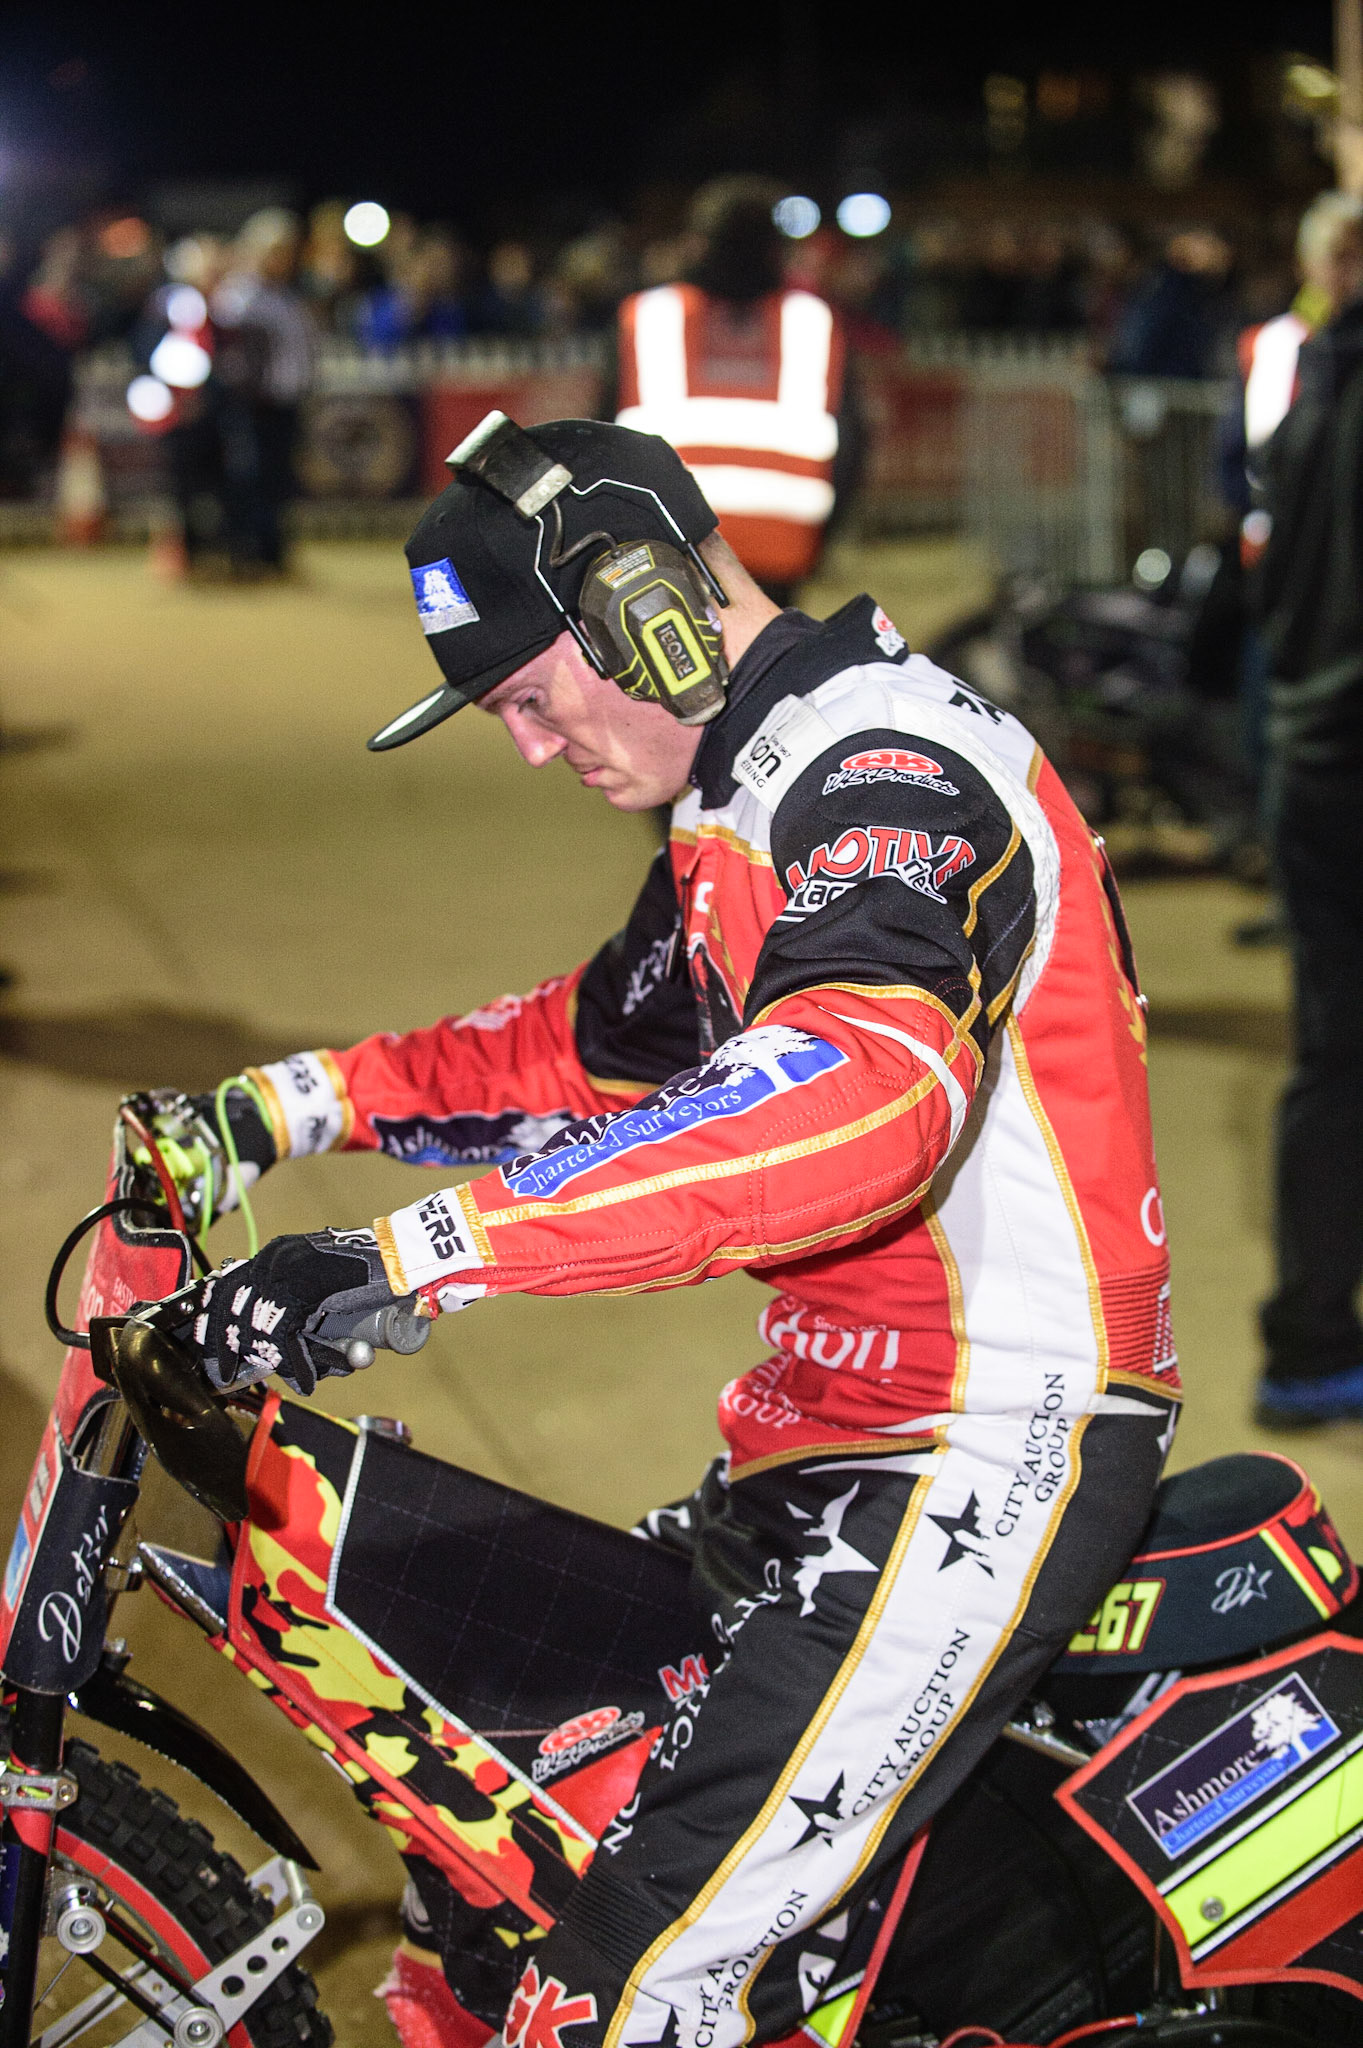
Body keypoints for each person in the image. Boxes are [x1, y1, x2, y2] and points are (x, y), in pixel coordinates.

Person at [169, 414, 1179, 2048]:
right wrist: (282, 1107)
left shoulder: (888, 773)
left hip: (984, 1448)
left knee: (622, 1994)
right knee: (501, 1845)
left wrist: (405, 1254)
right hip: (828, 1444)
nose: (524, 746)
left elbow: (859, 1096)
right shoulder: (739, 798)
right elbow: (580, 1049)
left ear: (638, 599)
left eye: (524, 695)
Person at [1251, 201, 1363, 1427]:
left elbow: (1266, 586)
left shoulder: (1308, 389)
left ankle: (1310, 1338)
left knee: (1333, 1058)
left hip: (1312, 756)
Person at [614, 178, 855, 606]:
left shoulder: (647, 316)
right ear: (776, 248)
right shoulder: (815, 321)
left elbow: (601, 437)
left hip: (668, 543)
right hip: (782, 547)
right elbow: (852, 448)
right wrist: (821, 542)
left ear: (697, 243)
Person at [211, 209, 315, 575]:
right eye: (277, 251)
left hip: (285, 402)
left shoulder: (286, 297)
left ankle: (272, 553)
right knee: (248, 475)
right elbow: (229, 352)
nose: (284, 259)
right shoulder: (239, 295)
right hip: (251, 404)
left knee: (278, 478)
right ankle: (244, 553)